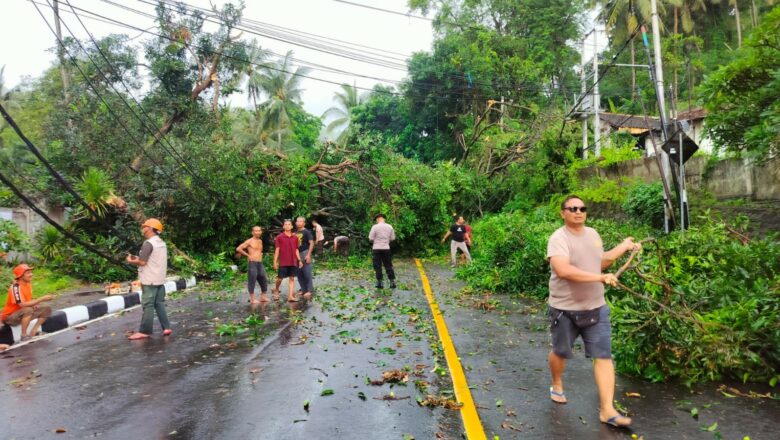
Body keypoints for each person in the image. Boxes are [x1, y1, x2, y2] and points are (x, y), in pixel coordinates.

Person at [546, 195, 640, 428]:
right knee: (560, 352)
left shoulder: (593, 234)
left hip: (596, 308)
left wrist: (625, 247)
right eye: (572, 208)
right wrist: (600, 277)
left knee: (604, 356)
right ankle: (557, 382)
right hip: (564, 309)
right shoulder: (558, 239)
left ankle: (607, 410)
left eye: (582, 208)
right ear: (563, 213)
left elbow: (602, 261)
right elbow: (564, 270)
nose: (578, 211)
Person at [126, 218, 171, 340]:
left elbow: (142, 261)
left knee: (148, 304)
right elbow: (153, 258)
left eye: (144, 227)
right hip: (160, 279)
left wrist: (131, 261)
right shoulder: (161, 243)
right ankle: (166, 327)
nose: (143, 229)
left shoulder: (148, 243)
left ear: (150, 229)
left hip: (149, 279)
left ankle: (145, 331)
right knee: (159, 303)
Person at [1, 264, 53, 341]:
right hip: (10, 318)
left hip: (21, 313)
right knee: (28, 310)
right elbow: (22, 304)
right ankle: (23, 335)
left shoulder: (28, 284)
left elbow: (28, 300)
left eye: (31, 272)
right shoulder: (15, 287)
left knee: (47, 308)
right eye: (28, 273)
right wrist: (41, 299)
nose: (31, 274)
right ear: (21, 276)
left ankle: (34, 331)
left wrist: (35, 304)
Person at [236, 226, 270, 304]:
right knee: (252, 280)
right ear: (252, 232)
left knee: (263, 279)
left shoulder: (260, 241)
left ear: (261, 232)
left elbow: (259, 251)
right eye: (256, 231)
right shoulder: (249, 241)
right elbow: (238, 248)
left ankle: (263, 297)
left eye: (259, 230)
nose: (258, 232)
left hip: (260, 262)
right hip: (252, 263)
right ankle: (252, 299)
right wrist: (248, 255)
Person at [273, 219, 304, 302]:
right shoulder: (279, 237)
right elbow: (277, 250)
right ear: (283, 226)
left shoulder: (295, 237)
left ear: (292, 226)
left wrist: (299, 260)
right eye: (285, 224)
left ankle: (290, 296)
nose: (287, 225)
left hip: (293, 261)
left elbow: (296, 250)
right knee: (280, 278)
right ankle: (276, 289)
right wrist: (275, 262)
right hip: (283, 261)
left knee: (292, 278)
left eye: (289, 224)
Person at [368, 214, 396, 289]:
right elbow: (393, 238)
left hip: (376, 248)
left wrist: (375, 241)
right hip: (386, 248)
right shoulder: (390, 227)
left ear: (378, 219)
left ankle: (380, 283)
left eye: (376, 219)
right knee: (388, 265)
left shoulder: (375, 227)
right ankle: (392, 282)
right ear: (384, 219)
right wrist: (386, 241)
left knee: (378, 266)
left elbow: (370, 238)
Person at [295, 216, 315, 300]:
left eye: (300, 221)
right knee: (299, 273)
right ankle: (303, 289)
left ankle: (309, 290)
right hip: (297, 254)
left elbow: (311, 243)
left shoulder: (307, 232)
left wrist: (309, 255)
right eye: (297, 221)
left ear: (304, 223)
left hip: (305, 252)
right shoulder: (295, 233)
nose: (298, 223)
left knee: (306, 272)